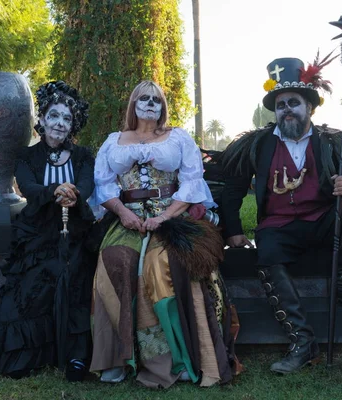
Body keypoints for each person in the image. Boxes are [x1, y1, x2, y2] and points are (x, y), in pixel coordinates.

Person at [220, 57, 342, 374]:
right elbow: (233, 188)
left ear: (310, 107)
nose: (286, 109)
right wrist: (233, 230)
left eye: (294, 103)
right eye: (280, 105)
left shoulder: (334, 142)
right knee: (267, 251)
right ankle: (303, 342)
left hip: (322, 221)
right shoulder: (258, 144)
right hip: (278, 226)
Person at [91, 80, 241, 388]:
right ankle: (119, 357)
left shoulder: (178, 138)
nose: (149, 102)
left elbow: (191, 182)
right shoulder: (113, 141)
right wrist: (124, 213)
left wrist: (165, 216)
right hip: (128, 219)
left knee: (164, 263)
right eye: (142, 98)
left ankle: (179, 357)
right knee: (116, 259)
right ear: (132, 104)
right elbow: (103, 185)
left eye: (155, 98)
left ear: (163, 106)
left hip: (174, 217)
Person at [0, 81, 96, 381]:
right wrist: (56, 190)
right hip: (37, 234)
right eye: (54, 116)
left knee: (76, 280)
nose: (60, 123)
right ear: (42, 120)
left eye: (66, 118)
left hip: (75, 232)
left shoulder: (84, 156)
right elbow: (29, 188)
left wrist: (72, 193)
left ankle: (77, 356)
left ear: (73, 124)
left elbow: (87, 187)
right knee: (32, 287)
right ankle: (27, 352)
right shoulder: (26, 157)